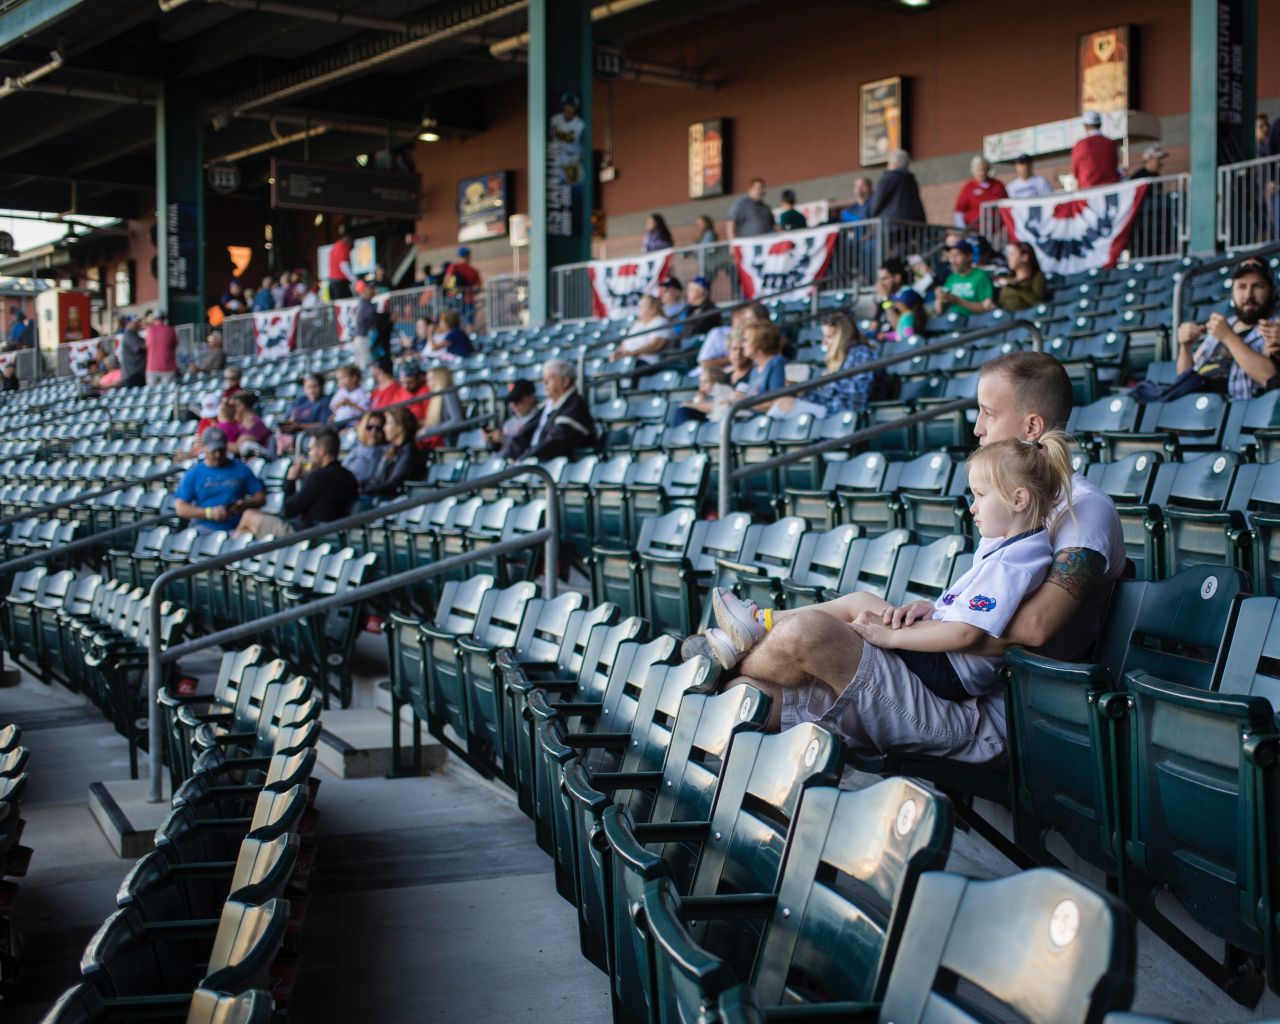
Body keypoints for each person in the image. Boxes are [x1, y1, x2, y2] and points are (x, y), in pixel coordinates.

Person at [684, 350, 1124, 762]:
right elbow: (992, 604)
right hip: (946, 677)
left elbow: (1032, 627)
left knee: (812, 634)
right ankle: (740, 647)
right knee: (746, 692)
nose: (977, 428)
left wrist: (912, 632)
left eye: (989, 413)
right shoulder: (1018, 503)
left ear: (1031, 427)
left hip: (983, 712)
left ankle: (729, 650)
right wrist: (933, 614)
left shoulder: (1083, 509)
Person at [1175, 256, 1280, 400]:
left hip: (1237, 412)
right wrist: (1185, 347)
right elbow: (1185, 380)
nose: (1248, 295)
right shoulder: (1224, 324)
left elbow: (1269, 378)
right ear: (1232, 292)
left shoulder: (1275, 328)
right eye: (1242, 287)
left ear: (1272, 292)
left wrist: (1228, 337)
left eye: (1257, 286)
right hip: (1198, 408)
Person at [235, 429, 358, 538]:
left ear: (321, 451)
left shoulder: (318, 477)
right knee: (248, 531)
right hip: (332, 536)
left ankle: (225, 562)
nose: (309, 454)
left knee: (248, 515)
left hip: (305, 534)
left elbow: (288, 510)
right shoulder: (349, 476)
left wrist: (291, 479)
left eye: (311, 449)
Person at [173, 427, 266, 533]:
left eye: (221, 450)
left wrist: (246, 503)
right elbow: (181, 508)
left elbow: (260, 496)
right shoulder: (194, 473)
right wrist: (209, 513)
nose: (218, 455)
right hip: (205, 529)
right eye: (214, 451)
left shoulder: (240, 468)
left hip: (237, 527)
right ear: (203, 448)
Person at [507, 360, 596, 461]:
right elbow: (524, 435)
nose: (544, 383)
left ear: (565, 382)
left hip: (557, 468)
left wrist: (522, 460)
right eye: (544, 379)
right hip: (535, 465)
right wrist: (511, 457)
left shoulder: (575, 406)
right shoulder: (548, 406)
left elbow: (554, 442)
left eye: (550, 378)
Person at [805, 312, 877, 416]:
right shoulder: (837, 357)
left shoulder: (861, 353)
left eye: (829, 337)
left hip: (843, 412)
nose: (824, 342)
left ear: (843, 336)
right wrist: (804, 392)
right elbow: (824, 395)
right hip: (827, 408)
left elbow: (860, 393)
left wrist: (828, 382)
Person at [362, 405, 427, 499]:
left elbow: (394, 484)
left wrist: (366, 491)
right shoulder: (392, 449)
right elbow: (377, 479)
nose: (384, 428)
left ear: (400, 427)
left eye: (388, 423)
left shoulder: (410, 451)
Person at [933, 240, 994, 320]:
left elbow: (986, 307)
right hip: (953, 323)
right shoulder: (951, 278)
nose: (953, 261)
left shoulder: (981, 275)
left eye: (957, 256)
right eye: (950, 257)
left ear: (969, 256)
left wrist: (958, 300)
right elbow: (939, 312)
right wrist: (939, 298)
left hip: (976, 324)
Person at [485, 378, 541, 457]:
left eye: (518, 400)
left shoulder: (542, 418)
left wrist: (506, 440)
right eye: (512, 401)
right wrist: (494, 443)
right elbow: (501, 457)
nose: (514, 405)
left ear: (531, 397)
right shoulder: (509, 424)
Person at [610, 295, 671, 365]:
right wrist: (617, 353)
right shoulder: (638, 324)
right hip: (627, 360)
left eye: (643, 307)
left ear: (653, 308)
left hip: (646, 362)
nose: (639, 309)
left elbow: (656, 345)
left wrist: (631, 353)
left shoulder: (660, 321)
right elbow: (624, 343)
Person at [869, 150, 926, 224]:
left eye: (890, 162)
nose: (888, 166)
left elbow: (878, 199)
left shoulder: (890, 176)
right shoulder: (911, 180)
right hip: (914, 225)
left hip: (893, 225)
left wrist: (871, 214)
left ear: (897, 163)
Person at [742, 320, 787, 411]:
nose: (743, 345)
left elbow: (777, 402)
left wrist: (742, 405)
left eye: (746, 340)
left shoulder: (777, 363)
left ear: (760, 343)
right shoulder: (754, 371)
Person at [953, 155, 1007, 229]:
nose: (982, 172)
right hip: (975, 231)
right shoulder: (968, 187)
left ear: (988, 170)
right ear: (973, 171)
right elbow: (959, 211)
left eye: (984, 169)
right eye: (979, 170)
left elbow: (1007, 206)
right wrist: (962, 230)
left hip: (998, 231)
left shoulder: (998, 185)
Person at [994, 242, 1049, 312]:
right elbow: (1000, 303)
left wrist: (1017, 287)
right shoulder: (1007, 278)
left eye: (1012, 254)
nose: (1009, 258)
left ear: (1025, 257)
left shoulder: (1037, 277)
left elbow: (1038, 304)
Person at [418, 366, 464, 449]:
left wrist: (429, 431)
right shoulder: (435, 397)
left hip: (449, 441)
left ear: (440, 379)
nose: (428, 383)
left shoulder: (448, 393)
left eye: (431, 379)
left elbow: (457, 420)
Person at [1071, 110, 1120, 189]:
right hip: (1110, 188)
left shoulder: (1080, 145)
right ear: (1100, 124)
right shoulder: (1111, 143)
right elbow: (1115, 165)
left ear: (1085, 126)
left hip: (1088, 189)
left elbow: (1075, 170)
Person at [343, 411, 388, 488]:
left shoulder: (386, 451)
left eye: (378, 428)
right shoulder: (356, 448)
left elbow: (376, 478)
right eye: (369, 427)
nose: (373, 432)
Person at [441, 247, 481, 325]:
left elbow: (446, 282)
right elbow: (477, 289)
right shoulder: (472, 270)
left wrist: (456, 290)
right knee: (468, 321)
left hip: (457, 298)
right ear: (469, 256)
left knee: (456, 321)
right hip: (465, 299)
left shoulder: (454, 267)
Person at [230, 391, 272, 456]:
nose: (229, 410)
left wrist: (212, 443)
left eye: (232, 406)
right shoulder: (241, 423)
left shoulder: (254, 423)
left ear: (241, 406)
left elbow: (239, 448)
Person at [144, 310, 178, 386]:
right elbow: (174, 348)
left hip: (152, 367)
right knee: (168, 394)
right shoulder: (170, 330)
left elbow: (147, 345)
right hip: (168, 367)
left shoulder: (149, 330)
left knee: (153, 395)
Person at [352, 279, 377, 370]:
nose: (373, 290)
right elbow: (375, 320)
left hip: (361, 338)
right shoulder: (365, 304)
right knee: (365, 366)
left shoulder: (365, 303)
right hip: (362, 339)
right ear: (364, 291)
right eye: (370, 288)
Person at [327, 224, 355, 300]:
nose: (352, 245)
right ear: (349, 238)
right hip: (340, 285)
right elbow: (344, 265)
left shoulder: (334, 247)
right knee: (348, 304)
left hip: (332, 284)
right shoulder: (343, 246)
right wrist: (354, 279)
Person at [119, 316, 146, 388]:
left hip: (136, 373)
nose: (138, 324)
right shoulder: (129, 334)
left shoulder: (134, 334)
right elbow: (142, 346)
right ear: (129, 323)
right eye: (136, 322)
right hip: (134, 374)